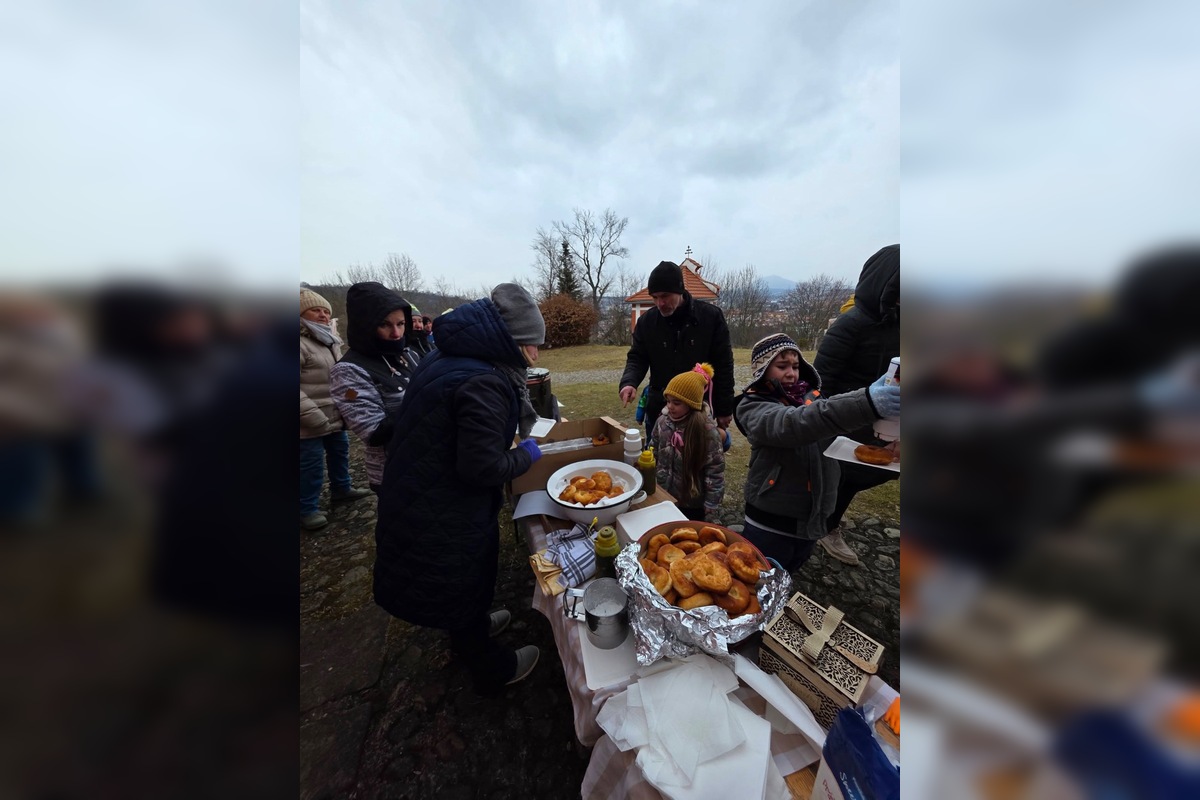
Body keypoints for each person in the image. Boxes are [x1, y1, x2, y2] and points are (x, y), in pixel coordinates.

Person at [373, 283, 546, 695]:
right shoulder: (483, 379)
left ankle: (474, 621)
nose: (536, 355)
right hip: (442, 502)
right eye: (532, 345)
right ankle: (490, 667)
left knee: (459, 579)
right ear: (512, 340)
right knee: (459, 574)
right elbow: (482, 467)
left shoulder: (450, 356)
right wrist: (528, 454)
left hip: (422, 487)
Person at [734, 333, 900, 571]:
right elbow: (794, 424)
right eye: (781, 367)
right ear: (761, 372)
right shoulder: (752, 406)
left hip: (813, 517)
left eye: (795, 366)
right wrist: (866, 402)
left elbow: (835, 429)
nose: (791, 373)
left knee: (790, 572)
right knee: (757, 576)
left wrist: (887, 439)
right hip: (769, 521)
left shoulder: (811, 397)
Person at [812, 244, 900, 565]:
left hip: (881, 422)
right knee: (842, 474)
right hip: (842, 420)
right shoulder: (850, 326)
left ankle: (827, 517)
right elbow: (818, 382)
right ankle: (824, 524)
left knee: (878, 472)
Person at [619, 261, 735, 445]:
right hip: (659, 407)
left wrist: (724, 409)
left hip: (698, 410)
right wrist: (629, 382)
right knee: (659, 461)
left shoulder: (710, 318)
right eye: (655, 297)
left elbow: (724, 366)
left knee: (698, 463)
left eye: (665, 296)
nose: (660, 303)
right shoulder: (647, 322)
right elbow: (637, 358)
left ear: (680, 291)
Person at [330, 282, 422, 493]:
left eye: (400, 324)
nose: (396, 333)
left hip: (428, 461)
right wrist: (427, 402)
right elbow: (373, 432)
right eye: (385, 325)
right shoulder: (348, 370)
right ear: (366, 325)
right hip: (394, 470)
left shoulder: (408, 354)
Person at [300, 288, 370, 530]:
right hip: (307, 420)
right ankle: (306, 508)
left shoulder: (330, 340)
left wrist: (352, 399)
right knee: (310, 464)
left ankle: (342, 488)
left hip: (334, 415)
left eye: (325, 311)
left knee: (340, 452)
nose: (322, 315)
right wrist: (313, 417)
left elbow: (340, 379)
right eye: (315, 310)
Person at [650, 363, 725, 521]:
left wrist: (711, 507)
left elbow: (715, 472)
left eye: (677, 403)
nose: (670, 407)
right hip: (664, 495)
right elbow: (653, 450)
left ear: (691, 404)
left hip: (692, 503)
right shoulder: (662, 422)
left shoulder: (706, 431)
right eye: (668, 401)